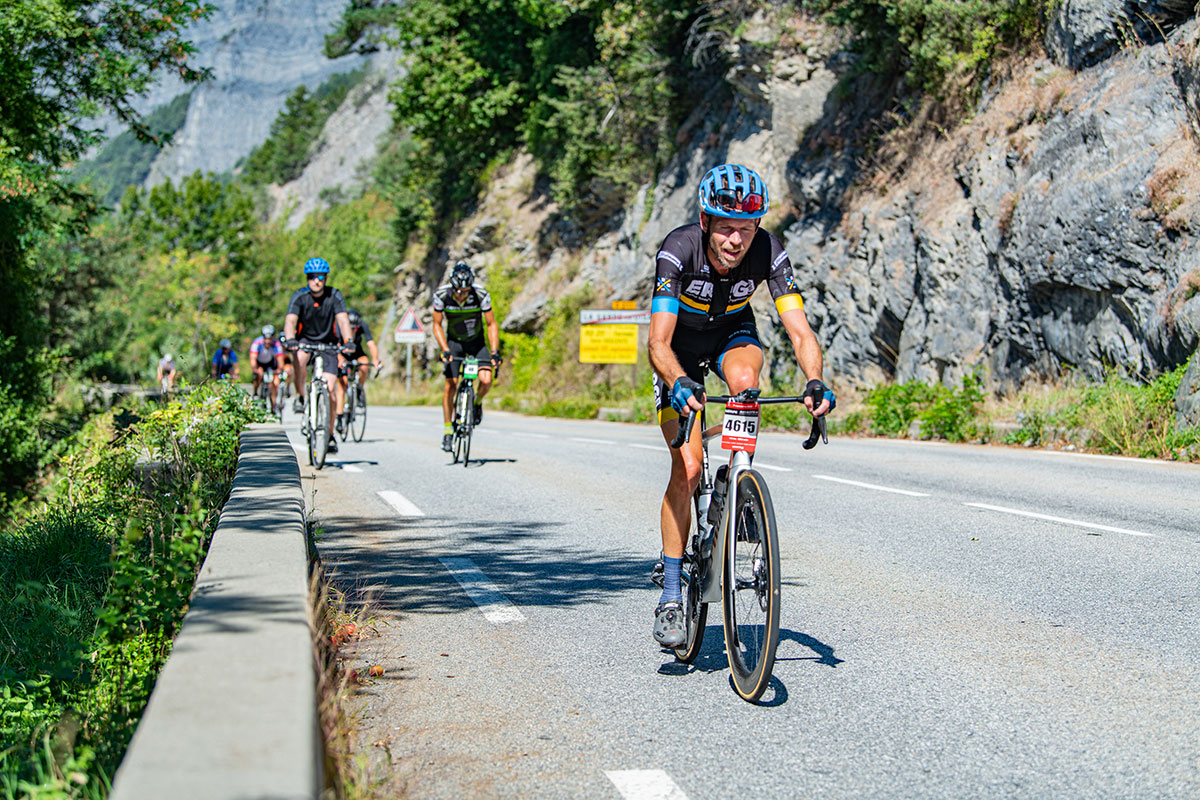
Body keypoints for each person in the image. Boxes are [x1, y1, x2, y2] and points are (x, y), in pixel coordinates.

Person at [647, 163, 835, 648]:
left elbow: (800, 330)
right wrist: (679, 381)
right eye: (726, 228)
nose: (736, 241)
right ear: (706, 223)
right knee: (687, 469)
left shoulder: (770, 252)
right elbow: (658, 342)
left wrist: (814, 379)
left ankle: (739, 477)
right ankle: (671, 592)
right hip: (680, 350)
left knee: (746, 380)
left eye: (746, 230)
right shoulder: (678, 249)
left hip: (733, 334)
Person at [281, 257, 355, 454]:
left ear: (326, 278)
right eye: (312, 277)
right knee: (299, 358)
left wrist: (348, 341)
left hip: (329, 344)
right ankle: (300, 396)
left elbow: (343, 320)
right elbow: (290, 322)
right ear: (307, 278)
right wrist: (290, 339)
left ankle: (329, 435)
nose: (316, 281)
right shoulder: (299, 296)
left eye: (320, 277)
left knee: (330, 389)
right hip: (304, 341)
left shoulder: (335, 295)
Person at [432, 261, 500, 452]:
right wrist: (445, 349)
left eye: (466, 291)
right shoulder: (441, 296)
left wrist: (494, 352)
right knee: (451, 385)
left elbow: (491, 324)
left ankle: (477, 402)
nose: (462, 294)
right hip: (454, 344)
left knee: (486, 379)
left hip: (476, 343)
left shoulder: (481, 295)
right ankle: (447, 431)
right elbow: (437, 325)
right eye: (458, 291)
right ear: (452, 286)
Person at [336, 309, 382, 435]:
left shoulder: (362, 326)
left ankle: (359, 388)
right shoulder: (339, 327)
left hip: (357, 353)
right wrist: (340, 359)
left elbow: (371, 344)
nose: (354, 331)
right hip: (342, 354)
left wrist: (376, 360)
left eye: (356, 328)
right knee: (342, 385)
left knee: (364, 363)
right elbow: (334, 346)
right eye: (352, 328)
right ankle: (339, 418)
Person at [250, 324, 286, 413]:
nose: (267, 341)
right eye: (265, 338)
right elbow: (253, 357)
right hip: (260, 363)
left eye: (269, 339)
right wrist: (255, 368)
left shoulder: (276, 344)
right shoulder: (257, 342)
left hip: (271, 364)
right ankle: (255, 393)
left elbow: (280, 359)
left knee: (273, 384)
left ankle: (273, 407)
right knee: (258, 376)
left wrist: (279, 369)